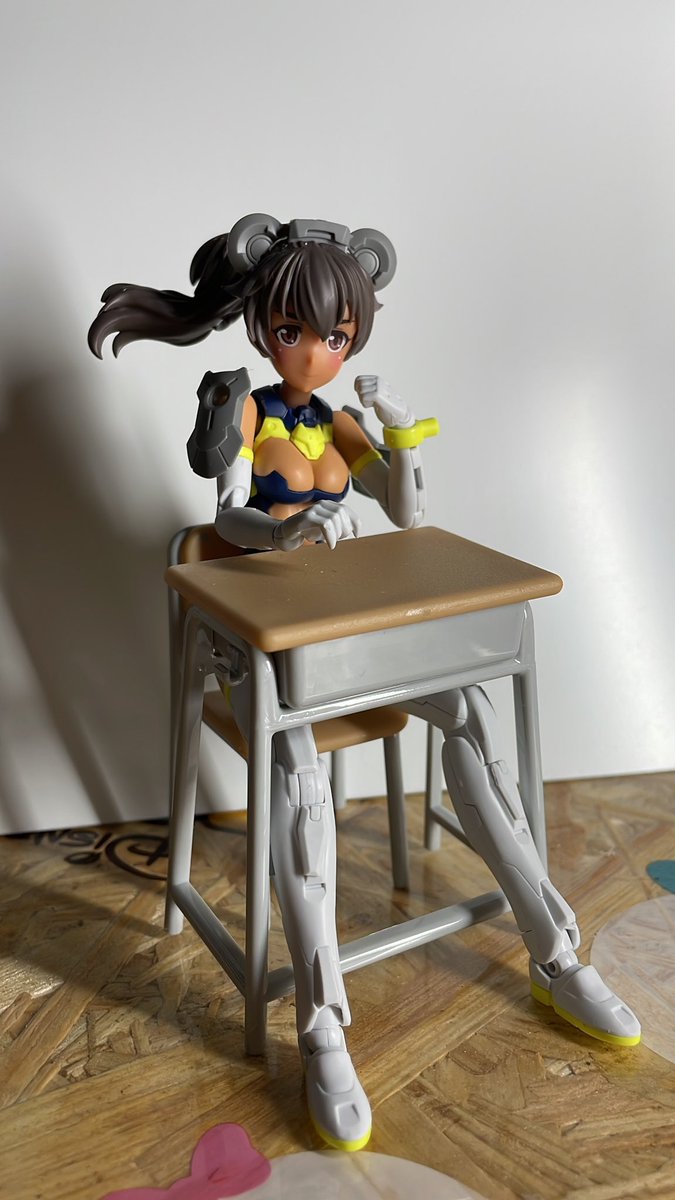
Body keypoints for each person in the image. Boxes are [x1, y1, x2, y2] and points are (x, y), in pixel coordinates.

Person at [89, 214, 640, 1152]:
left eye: (336, 336)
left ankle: (554, 952)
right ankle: (320, 1024)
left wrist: (397, 436)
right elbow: (225, 519)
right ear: (263, 327)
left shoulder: (338, 422)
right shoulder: (249, 408)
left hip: (349, 626)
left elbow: (407, 512)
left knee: (472, 712)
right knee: (297, 768)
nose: (315, 352)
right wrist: (285, 534)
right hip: (260, 629)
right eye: (294, 331)